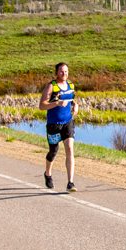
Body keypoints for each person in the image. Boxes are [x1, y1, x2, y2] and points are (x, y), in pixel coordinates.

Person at [37, 62, 77, 191]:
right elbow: (42, 106)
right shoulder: (51, 87)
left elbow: (73, 99)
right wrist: (57, 103)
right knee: (53, 152)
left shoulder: (70, 85)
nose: (64, 74)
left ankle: (70, 183)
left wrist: (76, 106)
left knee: (70, 149)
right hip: (54, 125)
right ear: (56, 73)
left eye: (66, 71)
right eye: (61, 71)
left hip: (67, 122)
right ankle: (47, 174)